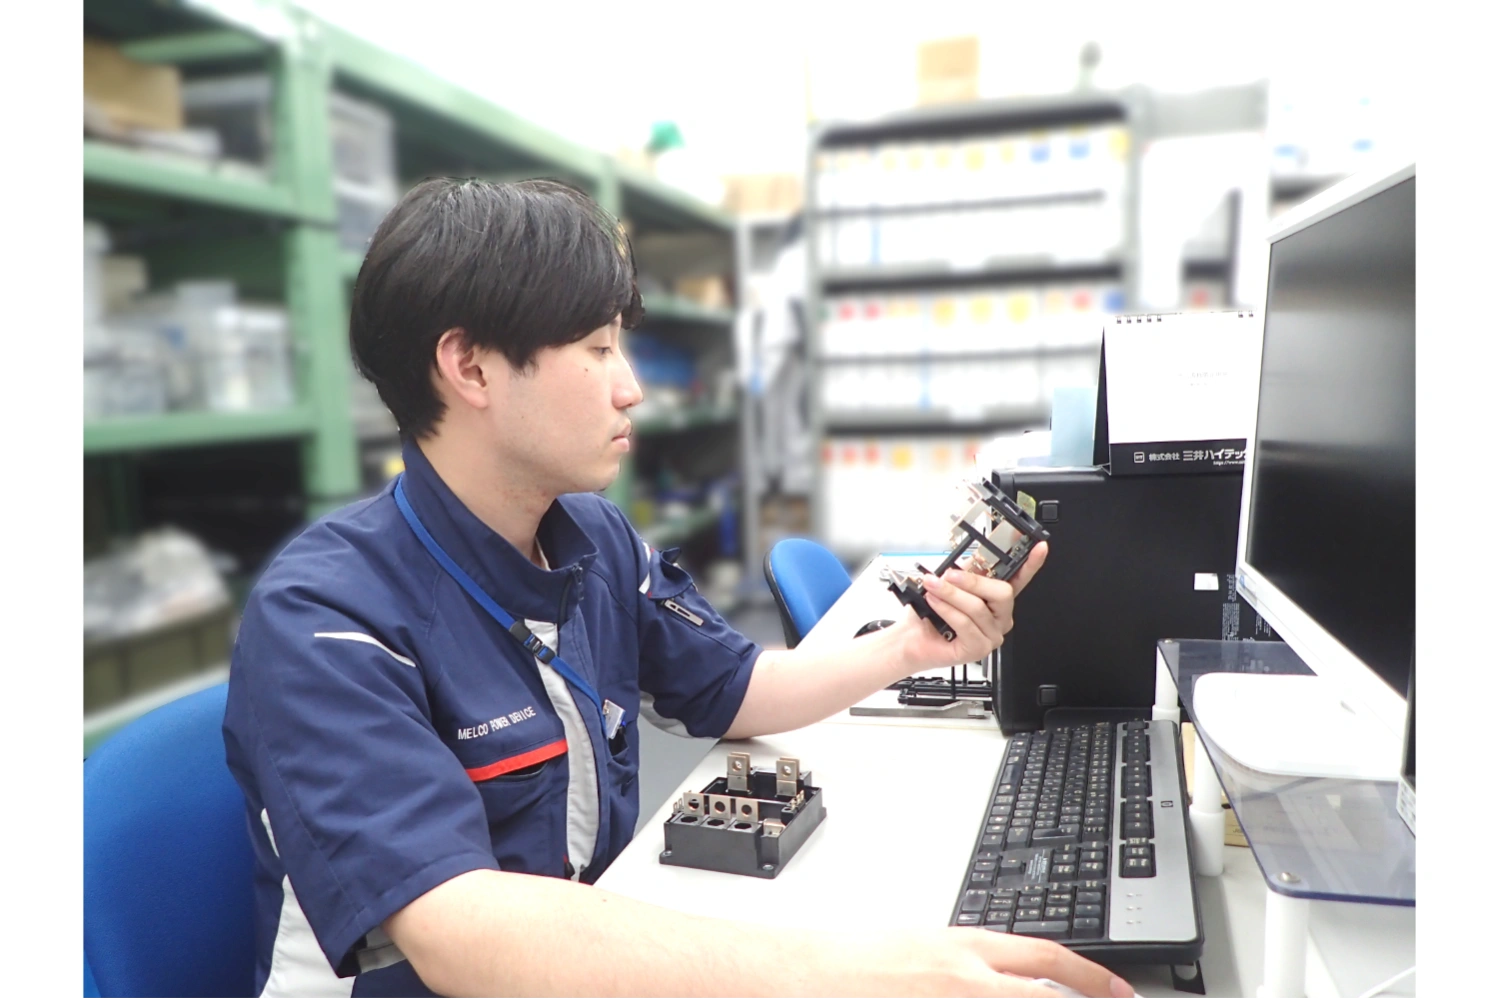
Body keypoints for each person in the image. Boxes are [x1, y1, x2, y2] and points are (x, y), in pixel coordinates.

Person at [223, 177, 1130, 999]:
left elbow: (733, 688)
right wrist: (838, 969)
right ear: (470, 368)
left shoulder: (590, 537)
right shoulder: (325, 615)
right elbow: (461, 933)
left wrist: (911, 646)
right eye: (597, 348)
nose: (631, 390)